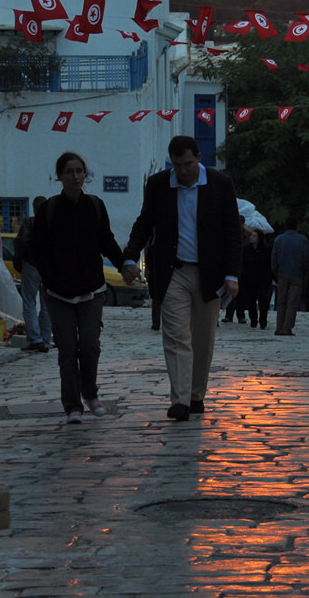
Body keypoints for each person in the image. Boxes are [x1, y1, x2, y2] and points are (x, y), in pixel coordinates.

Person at [121, 136, 241, 421]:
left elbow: (232, 233)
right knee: (176, 337)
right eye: (177, 165)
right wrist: (129, 256)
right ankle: (180, 400)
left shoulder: (220, 184)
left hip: (209, 273)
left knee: (202, 339)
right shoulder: (159, 184)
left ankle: (196, 394)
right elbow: (144, 223)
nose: (183, 171)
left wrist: (232, 274)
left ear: (199, 157)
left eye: (187, 164)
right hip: (172, 271)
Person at [30, 153, 126, 424]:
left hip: (91, 289)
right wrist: (49, 278)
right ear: (59, 176)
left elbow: (106, 241)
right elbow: (38, 250)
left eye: (79, 171)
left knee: (89, 345)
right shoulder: (48, 209)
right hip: (58, 292)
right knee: (67, 350)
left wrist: (124, 266)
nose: (75, 176)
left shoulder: (95, 206)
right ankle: (72, 405)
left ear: (86, 175)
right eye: (69, 171)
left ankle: (90, 393)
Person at [13, 195, 52, 353]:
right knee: (47, 305)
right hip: (49, 268)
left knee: (29, 303)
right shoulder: (54, 224)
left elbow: (21, 242)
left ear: (34, 209)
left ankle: (35, 339)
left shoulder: (30, 222)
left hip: (32, 265)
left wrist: (19, 260)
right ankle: (46, 340)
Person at [270, 216, 309, 335]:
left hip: (282, 273)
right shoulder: (302, 239)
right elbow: (305, 258)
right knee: (292, 302)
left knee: (281, 301)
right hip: (297, 274)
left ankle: (279, 327)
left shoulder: (279, 239)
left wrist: (275, 272)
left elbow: (274, 258)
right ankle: (287, 327)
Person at [240, 229, 273, 329]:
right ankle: (253, 320)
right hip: (249, 279)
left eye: (254, 236)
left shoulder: (265, 250)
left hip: (262, 279)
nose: (251, 237)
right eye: (251, 235)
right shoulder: (246, 250)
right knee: (251, 301)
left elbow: (268, 264)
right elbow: (243, 264)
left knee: (263, 300)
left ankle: (263, 321)